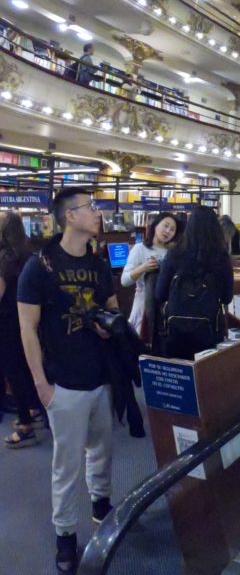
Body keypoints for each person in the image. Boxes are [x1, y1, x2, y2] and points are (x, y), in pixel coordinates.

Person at [18, 188, 121, 573]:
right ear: (69, 217)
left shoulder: (97, 263)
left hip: (99, 375)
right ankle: (64, 535)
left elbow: (110, 307)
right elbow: (27, 329)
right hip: (63, 382)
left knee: (103, 448)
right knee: (66, 463)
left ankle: (101, 505)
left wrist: (113, 327)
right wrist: (41, 384)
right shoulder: (40, 265)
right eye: (90, 208)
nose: (97, 213)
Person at [154, 206, 234, 360]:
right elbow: (227, 297)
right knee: (207, 375)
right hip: (209, 331)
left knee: (179, 376)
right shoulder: (221, 256)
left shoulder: (174, 253)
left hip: (176, 331)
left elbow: (159, 294)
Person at [0, 212, 43, 448]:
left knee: (13, 373)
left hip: (6, 324)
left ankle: (25, 425)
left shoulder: (3, 258)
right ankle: (35, 409)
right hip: (27, 321)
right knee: (27, 368)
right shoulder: (30, 256)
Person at [121, 212, 178, 340]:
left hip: (167, 308)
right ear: (155, 225)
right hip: (144, 306)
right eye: (166, 226)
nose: (168, 231)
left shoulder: (173, 253)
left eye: (172, 229)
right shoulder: (139, 249)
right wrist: (143, 268)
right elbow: (124, 281)